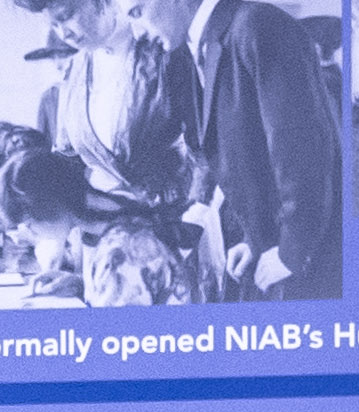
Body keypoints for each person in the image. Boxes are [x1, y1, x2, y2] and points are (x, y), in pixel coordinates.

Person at [132, 0, 343, 296]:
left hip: (314, 258)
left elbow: (301, 149)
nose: (136, 31)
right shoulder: (200, 45)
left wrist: (292, 249)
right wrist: (256, 239)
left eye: (136, 12)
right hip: (273, 247)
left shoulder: (258, 26)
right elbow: (251, 159)